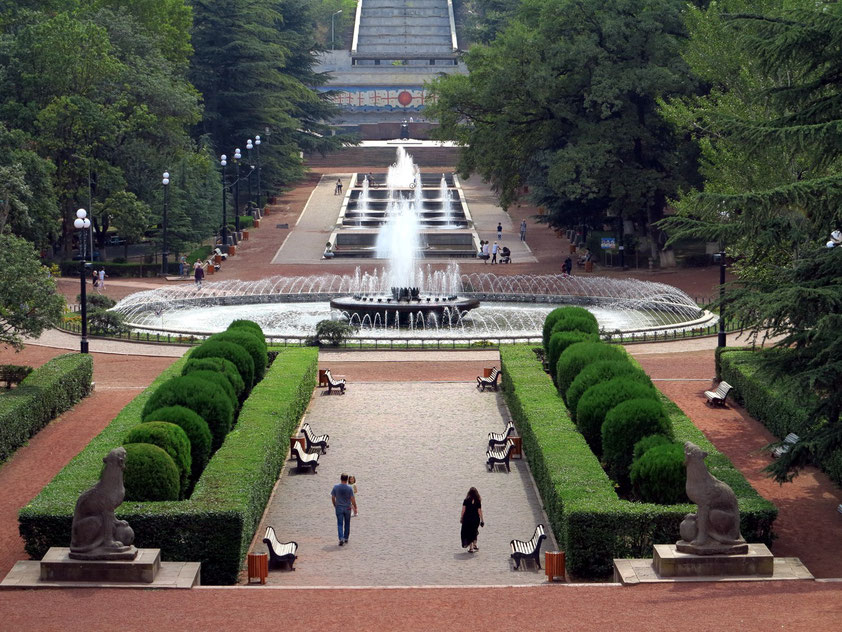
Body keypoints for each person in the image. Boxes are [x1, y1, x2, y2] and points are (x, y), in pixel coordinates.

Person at [331, 473, 357, 546]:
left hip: (339, 507)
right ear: (347, 479)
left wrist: (335, 505)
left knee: (339, 524)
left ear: (340, 478)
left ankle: (341, 538)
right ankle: (346, 538)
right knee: (347, 523)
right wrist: (355, 507)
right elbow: (352, 499)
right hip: (347, 508)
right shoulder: (349, 488)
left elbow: (333, 497)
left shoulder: (336, 487)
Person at [460, 487, 484, 553]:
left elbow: (463, 510)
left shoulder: (466, 500)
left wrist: (461, 518)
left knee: (468, 532)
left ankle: (471, 548)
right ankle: (475, 545)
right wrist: (482, 520)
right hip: (475, 519)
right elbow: (479, 511)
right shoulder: (478, 501)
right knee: (474, 531)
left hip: (467, 519)